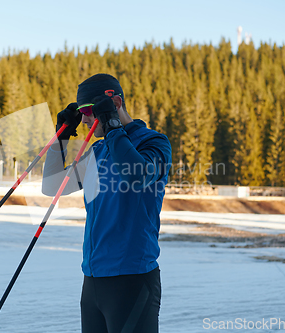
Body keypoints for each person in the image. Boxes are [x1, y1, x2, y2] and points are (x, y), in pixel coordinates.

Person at [42, 73, 172, 333]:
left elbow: (137, 173)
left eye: (90, 110)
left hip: (132, 278)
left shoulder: (153, 143)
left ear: (117, 103)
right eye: (82, 112)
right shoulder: (97, 152)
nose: (87, 118)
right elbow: (52, 186)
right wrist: (62, 137)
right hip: (92, 279)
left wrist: (113, 128)